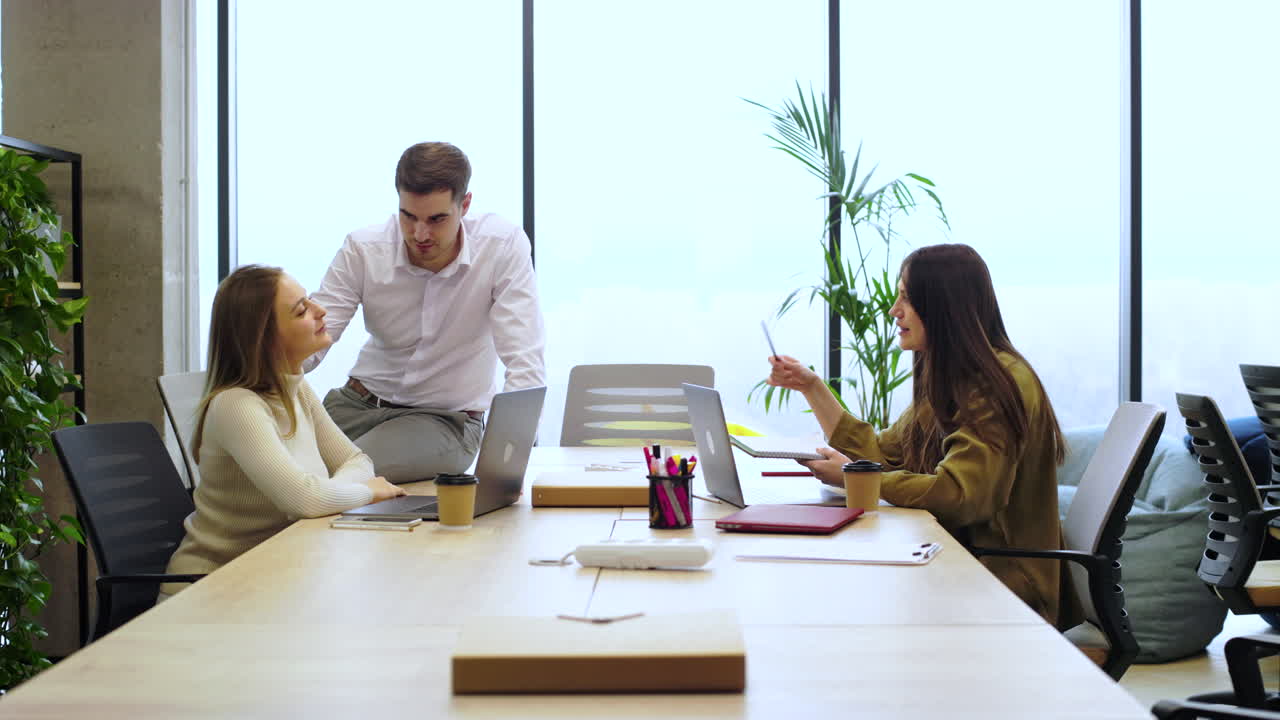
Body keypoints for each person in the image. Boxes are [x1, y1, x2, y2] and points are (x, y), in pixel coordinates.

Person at [767, 243, 1083, 629]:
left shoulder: (995, 385)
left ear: (942, 307)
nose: (894, 311)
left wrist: (857, 477)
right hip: (959, 557)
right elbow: (884, 452)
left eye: (906, 298)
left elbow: (962, 496)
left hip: (1003, 581)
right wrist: (812, 387)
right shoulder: (956, 373)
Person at [306, 141, 546, 483]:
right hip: (355, 403)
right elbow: (312, 340)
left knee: (342, 477)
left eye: (436, 219)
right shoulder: (364, 249)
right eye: (408, 216)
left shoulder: (502, 247)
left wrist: (510, 466)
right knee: (268, 472)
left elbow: (524, 360)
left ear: (464, 205)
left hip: (444, 422)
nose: (420, 234)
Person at [163, 265, 406, 596]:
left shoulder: (296, 389)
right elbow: (305, 500)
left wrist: (326, 494)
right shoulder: (237, 405)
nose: (321, 311)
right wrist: (365, 492)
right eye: (302, 310)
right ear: (265, 336)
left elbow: (357, 461)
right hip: (209, 591)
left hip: (273, 577)